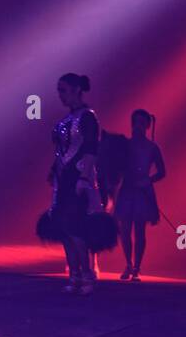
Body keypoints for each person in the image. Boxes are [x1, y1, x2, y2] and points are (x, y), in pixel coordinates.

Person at [36, 73, 118, 294]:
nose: (60, 95)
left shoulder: (88, 118)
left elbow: (91, 149)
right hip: (64, 180)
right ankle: (74, 274)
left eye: (63, 90)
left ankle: (87, 275)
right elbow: (60, 151)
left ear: (75, 90)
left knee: (76, 229)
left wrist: (83, 178)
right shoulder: (66, 120)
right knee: (64, 229)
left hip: (78, 180)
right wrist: (54, 171)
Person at [113, 110, 166, 281]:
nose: (138, 126)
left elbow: (162, 172)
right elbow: (118, 168)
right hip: (127, 190)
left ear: (147, 126)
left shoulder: (152, 147)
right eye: (135, 122)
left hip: (142, 192)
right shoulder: (125, 146)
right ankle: (128, 264)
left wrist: (148, 180)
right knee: (125, 229)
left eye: (142, 123)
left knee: (140, 230)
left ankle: (137, 267)